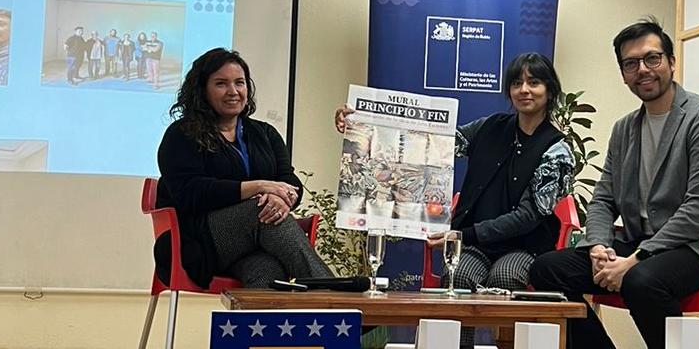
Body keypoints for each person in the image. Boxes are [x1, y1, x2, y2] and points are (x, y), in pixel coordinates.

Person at [528, 18, 699, 349]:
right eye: (631, 64)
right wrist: (598, 248)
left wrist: (635, 260)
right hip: (640, 244)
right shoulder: (624, 129)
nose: (642, 70)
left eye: (652, 58)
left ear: (671, 62)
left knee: (641, 281)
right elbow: (603, 200)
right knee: (546, 270)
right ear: (623, 74)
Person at [335, 52, 574, 349]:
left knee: (505, 277)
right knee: (458, 278)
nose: (524, 90)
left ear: (550, 90)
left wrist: (463, 234)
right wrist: (362, 126)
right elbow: (429, 145)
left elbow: (528, 217)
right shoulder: (489, 127)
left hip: (524, 247)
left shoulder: (557, 151)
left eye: (534, 82)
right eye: (516, 83)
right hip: (473, 244)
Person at [155, 47, 332, 289]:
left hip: (252, 246)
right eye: (221, 84)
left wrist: (284, 198)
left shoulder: (265, 133)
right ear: (202, 90)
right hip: (199, 244)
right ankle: (335, 296)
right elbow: (190, 192)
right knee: (258, 210)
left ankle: (274, 327)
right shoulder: (181, 134)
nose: (233, 91)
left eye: (239, 83)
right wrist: (258, 187)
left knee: (268, 272)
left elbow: (288, 179)